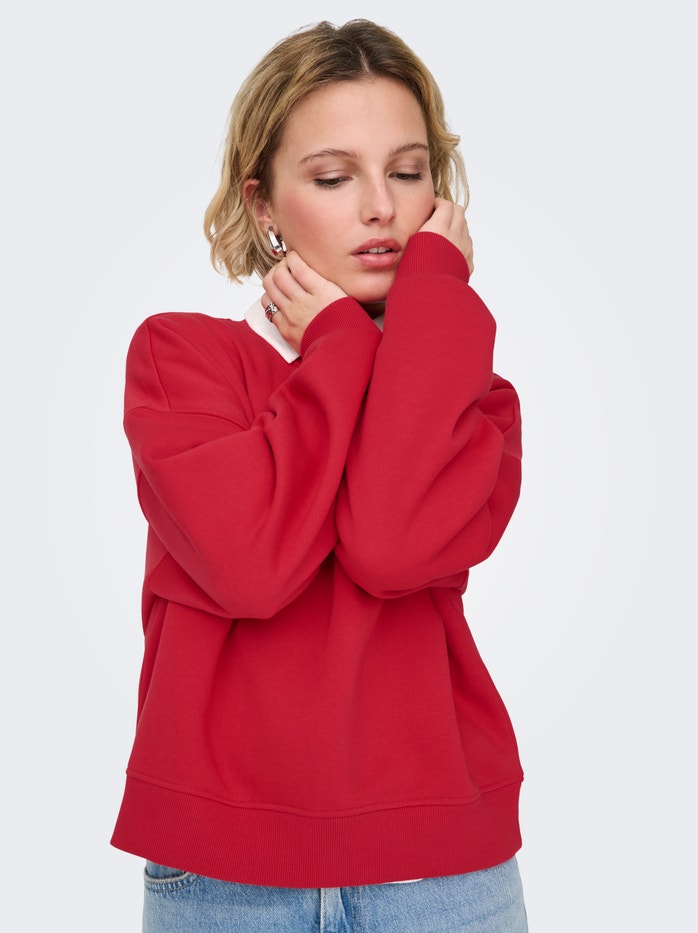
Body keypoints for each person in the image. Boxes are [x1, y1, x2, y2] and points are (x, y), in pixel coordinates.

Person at [111, 18, 528, 932]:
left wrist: (428, 303)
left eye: (409, 172)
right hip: (223, 876)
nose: (381, 207)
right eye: (335, 177)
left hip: (444, 870)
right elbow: (249, 567)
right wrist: (339, 345)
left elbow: (388, 545)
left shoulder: (473, 396)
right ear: (263, 204)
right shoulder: (182, 359)